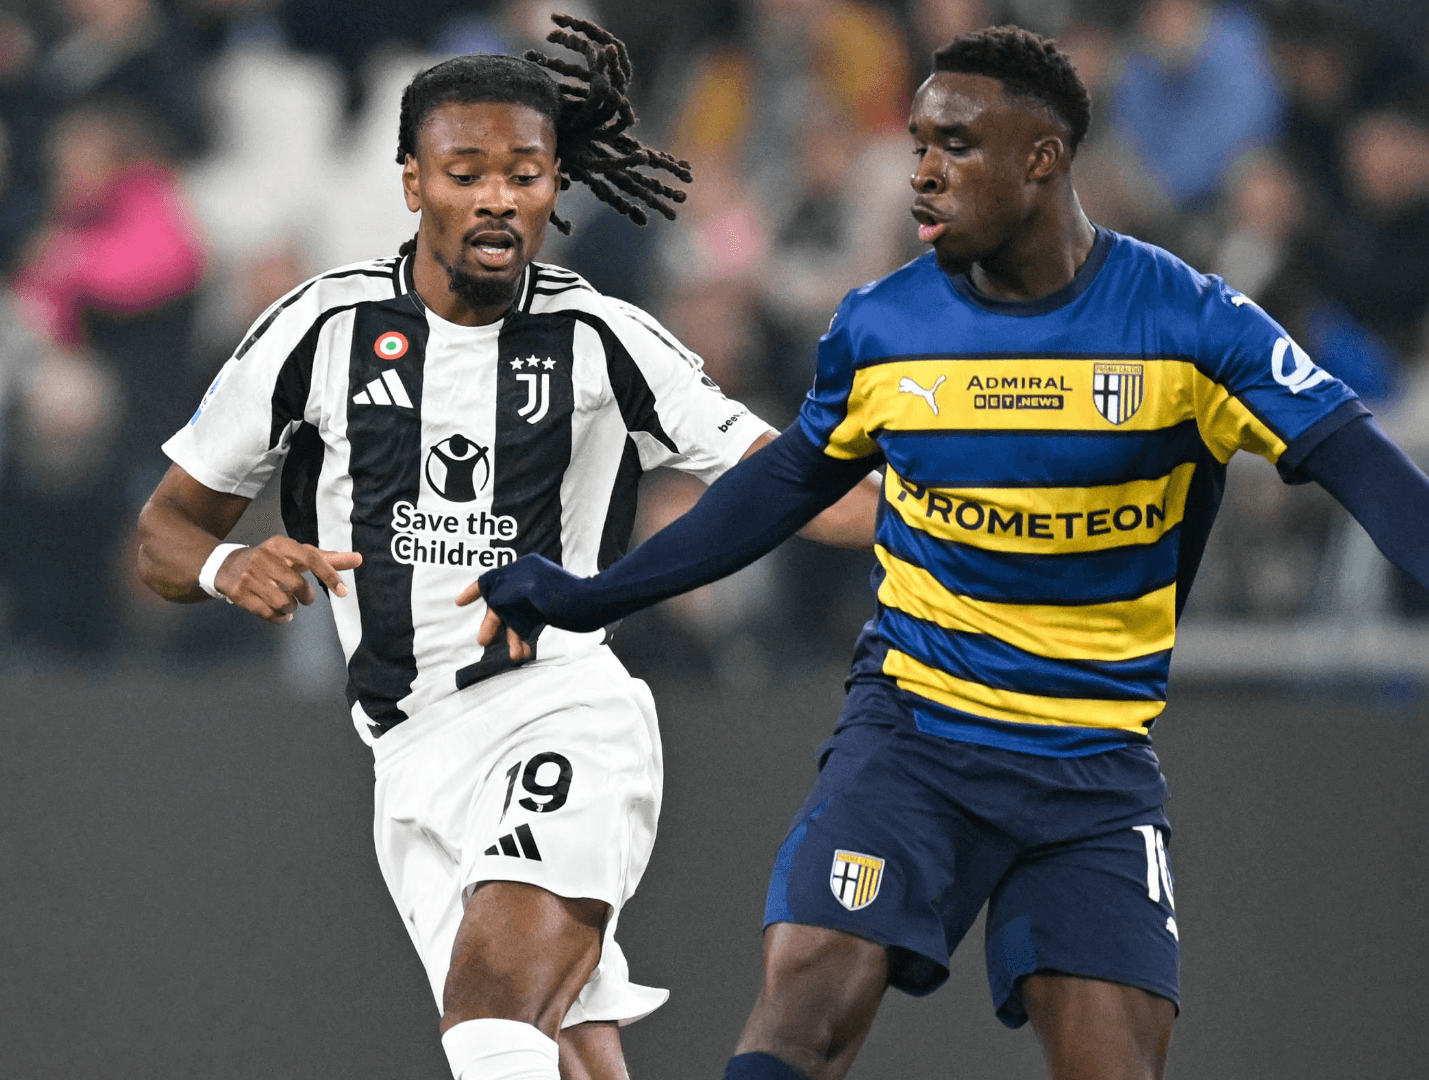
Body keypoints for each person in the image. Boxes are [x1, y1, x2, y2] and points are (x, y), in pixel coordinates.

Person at [466, 26, 1429, 1080]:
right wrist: (598, 593)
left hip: (1092, 767)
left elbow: (1357, 457)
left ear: (1043, 159)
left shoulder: (1189, 325)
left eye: (955, 145)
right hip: (914, 736)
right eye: (918, 144)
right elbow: (782, 486)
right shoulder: (883, 327)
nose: (921, 172)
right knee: (807, 1001)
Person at [133, 16, 877, 1080]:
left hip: (559, 712)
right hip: (405, 753)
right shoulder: (319, 331)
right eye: (466, 173)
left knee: (491, 1027)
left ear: (553, 185)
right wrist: (225, 566)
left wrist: (968, 506)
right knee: (564, 1051)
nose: (498, 198)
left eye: (524, 175)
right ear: (411, 183)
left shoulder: (603, 339)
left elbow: (805, 488)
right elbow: (163, 534)